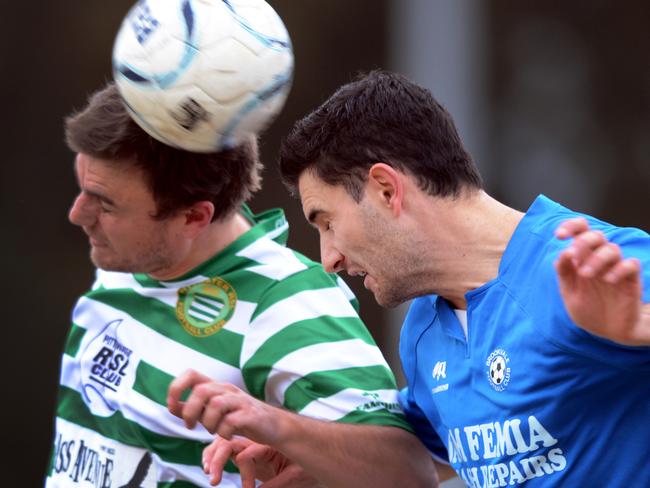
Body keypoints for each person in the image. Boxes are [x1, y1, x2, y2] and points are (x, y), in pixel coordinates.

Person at [185, 70, 649, 486]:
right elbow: (418, 463)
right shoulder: (423, 331)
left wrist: (636, 328)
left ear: (386, 189)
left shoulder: (590, 265)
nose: (329, 258)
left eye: (327, 222)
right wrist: (303, 451)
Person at [46, 82, 437, 488]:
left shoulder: (286, 300)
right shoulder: (129, 255)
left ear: (193, 218)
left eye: (105, 204)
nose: (78, 214)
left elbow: (407, 475)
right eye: (84, 188)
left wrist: (274, 424)